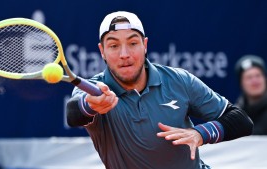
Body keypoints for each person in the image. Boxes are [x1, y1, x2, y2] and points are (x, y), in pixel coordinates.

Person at [66, 11, 253, 169]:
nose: (125, 54)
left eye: (133, 43)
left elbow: (241, 120)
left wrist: (200, 134)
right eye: (114, 46)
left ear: (145, 45)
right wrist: (91, 104)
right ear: (102, 51)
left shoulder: (179, 80)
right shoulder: (94, 90)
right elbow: (73, 114)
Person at [235, 55, 267, 135]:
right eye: (249, 77)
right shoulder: (237, 113)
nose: (255, 81)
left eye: (258, 76)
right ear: (241, 83)